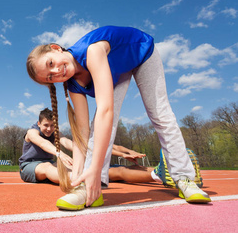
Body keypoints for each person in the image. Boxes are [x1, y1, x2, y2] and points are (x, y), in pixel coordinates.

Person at [26, 25, 211, 210]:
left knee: (160, 114)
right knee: (98, 124)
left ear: (56, 48)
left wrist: (95, 169)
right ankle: (89, 189)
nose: (57, 72)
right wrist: (78, 175)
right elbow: (82, 131)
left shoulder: (92, 51)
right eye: (50, 77)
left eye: (51, 63)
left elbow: (106, 111)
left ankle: (185, 178)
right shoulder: (73, 84)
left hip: (141, 51)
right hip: (116, 68)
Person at [19, 108, 73, 184]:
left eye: (52, 125)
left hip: (49, 163)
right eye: (46, 125)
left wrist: (85, 151)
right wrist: (60, 154)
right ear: (39, 124)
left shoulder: (55, 132)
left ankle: (86, 178)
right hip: (29, 165)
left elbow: (65, 141)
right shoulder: (31, 132)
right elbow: (43, 143)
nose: (49, 129)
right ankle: (77, 180)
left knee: (69, 165)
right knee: (47, 166)